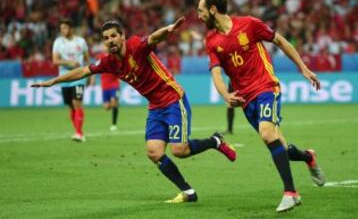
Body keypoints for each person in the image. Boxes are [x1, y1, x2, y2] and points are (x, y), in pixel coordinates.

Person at [31, 17, 237, 203]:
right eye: (106, 38)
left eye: (113, 36)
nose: (110, 40)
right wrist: (55, 81)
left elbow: (154, 38)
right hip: (156, 107)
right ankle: (188, 192)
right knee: (154, 152)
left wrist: (169, 29)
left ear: (122, 37)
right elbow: (84, 71)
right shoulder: (109, 61)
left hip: (174, 99)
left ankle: (215, 141)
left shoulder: (136, 46)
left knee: (179, 151)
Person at [197, 0, 325, 212]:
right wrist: (225, 95)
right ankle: (308, 157)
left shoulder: (249, 24)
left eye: (201, 11)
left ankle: (291, 193)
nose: (198, 16)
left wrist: (303, 68)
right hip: (246, 100)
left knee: (267, 134)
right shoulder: (211, 41)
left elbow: (281, 41)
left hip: (266, 87)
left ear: (213, 10)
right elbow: (216, 73)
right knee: (281, 147)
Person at [52, 18, 91, 142]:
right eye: (61, 28)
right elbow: (55, 60)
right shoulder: (58, 42)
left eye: (65, 28)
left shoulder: (81, 41)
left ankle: (78, 133)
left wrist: (91, 75)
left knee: (77, 103)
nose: (63, 30)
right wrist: (69, 62)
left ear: (71, 28)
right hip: (65, 77)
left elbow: (87, 59)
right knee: (71, 106)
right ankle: (79, 132)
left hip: (79, 77)